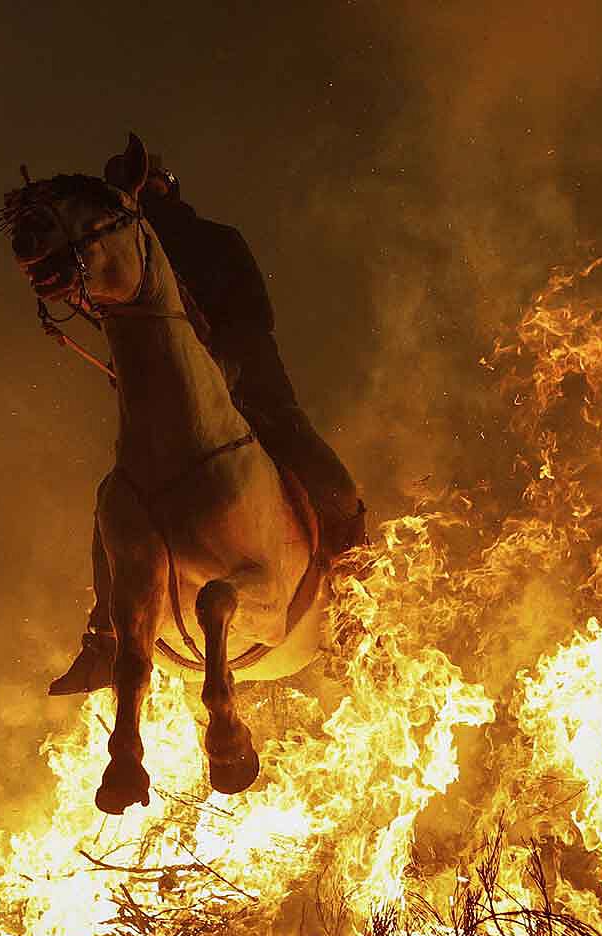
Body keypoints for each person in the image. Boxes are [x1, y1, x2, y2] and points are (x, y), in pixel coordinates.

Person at [48, 145, 366, 696]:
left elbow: (252, 316)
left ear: (166, 187)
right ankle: (105, 636)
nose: (142, 194)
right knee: (114, 501)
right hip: (169, 415)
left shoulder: (216, 242)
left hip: (250, 388)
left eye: (144, 185)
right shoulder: (125, 253)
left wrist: (224, 361)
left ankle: (358, 615)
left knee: (332, 484)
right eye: (131, 189)